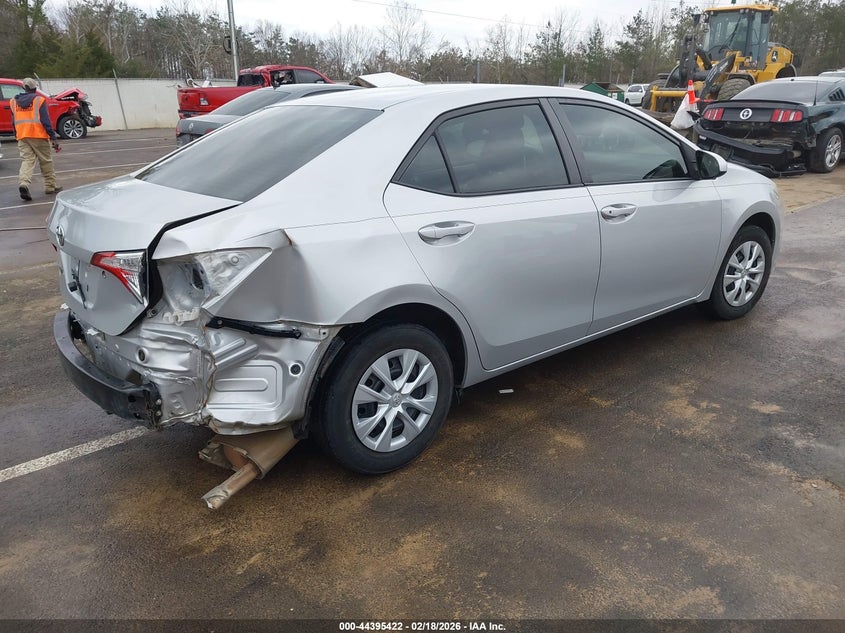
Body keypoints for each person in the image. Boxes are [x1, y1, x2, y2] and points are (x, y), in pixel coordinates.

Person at [10, 77, 62, 201]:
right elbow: (45, 120)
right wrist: (53, 137)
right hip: (38, 135)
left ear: (24, 87)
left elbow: (14, 122)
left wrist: (16, 135)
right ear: (34, 88)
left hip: (22, 136)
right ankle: (50, 186)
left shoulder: (13, 102)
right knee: (46, 160)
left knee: (27, 161)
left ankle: (24, 183)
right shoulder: (39, 100)